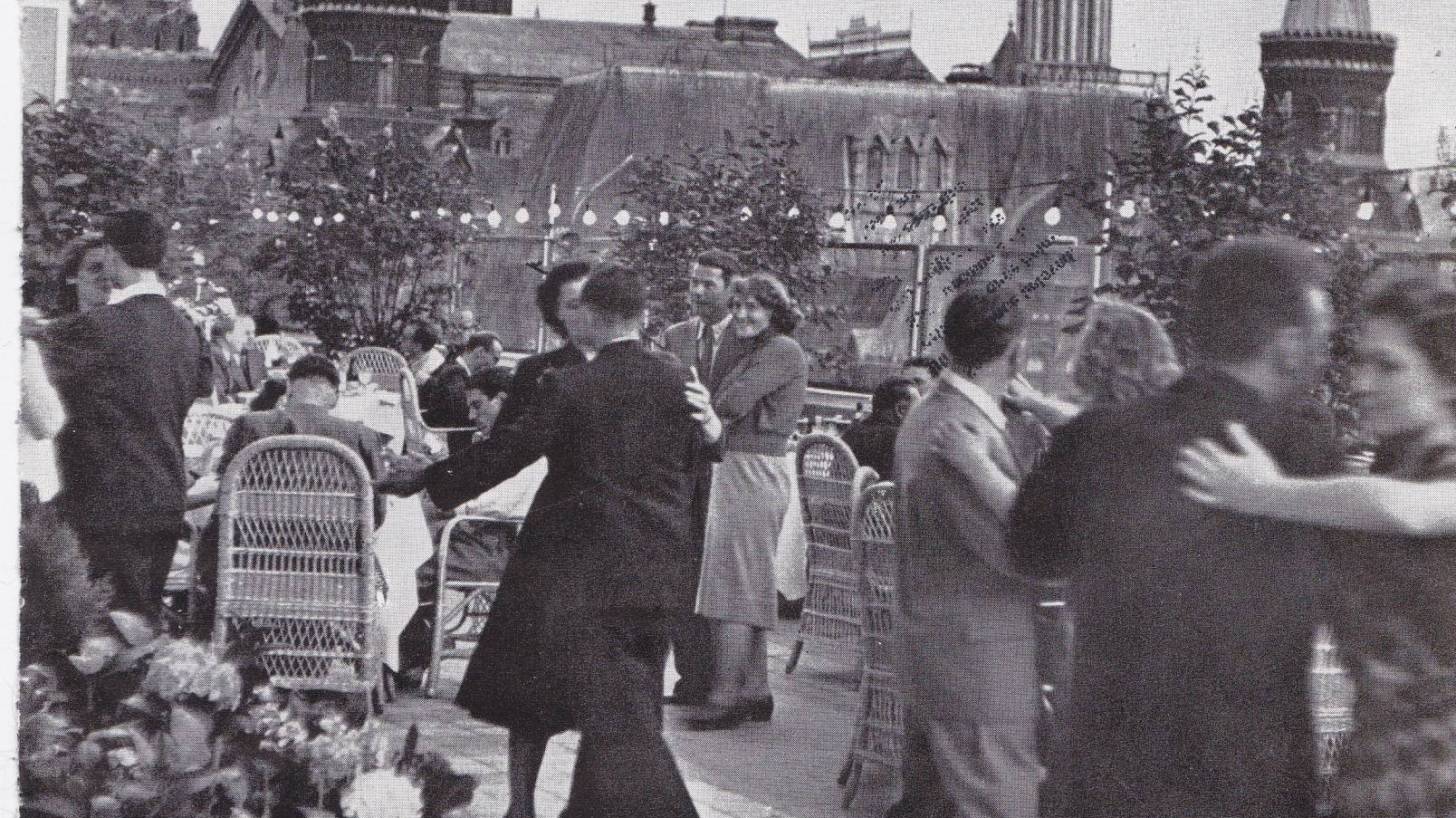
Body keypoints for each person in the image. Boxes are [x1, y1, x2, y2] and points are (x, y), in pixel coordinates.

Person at [1007, 237, 1344, 818]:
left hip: (1105, 774)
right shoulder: (1306, 453)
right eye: (1321, 337)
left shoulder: (1097, 439)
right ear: (1287, 343)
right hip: (1251, 784)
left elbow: (1029, 552)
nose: (1324, 353)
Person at [379, 263, 721, 818]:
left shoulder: (570, 385)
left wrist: (429, 482)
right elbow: (694, 456)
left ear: (592, 314)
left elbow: (505, 454)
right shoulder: (677, 375)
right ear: (644, 314)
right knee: (629, 704)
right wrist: (716, 439)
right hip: (658, 561)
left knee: (559, 696)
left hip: (575, 563)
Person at [1178, 280, 1456, 818]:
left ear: (1449, 378)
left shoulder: (1416, 483)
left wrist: (1264, 494)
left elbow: (1407, 510)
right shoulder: (1385, 469)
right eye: (1359, 363)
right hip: (1380, 772)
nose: (1361, 383)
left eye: (1387, 366)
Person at [886, 288, 1045, 818]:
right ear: (1014, 350)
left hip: (947, 648)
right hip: (977, 660)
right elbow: (1018, 554)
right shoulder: (958, 430)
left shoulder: (934, 413)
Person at [40, 210, 212, 621]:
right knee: (139, 629)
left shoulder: (95, 328)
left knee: (97, 638)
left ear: (115, 256)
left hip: (103, 504)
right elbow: (199, 391)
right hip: (165, 501)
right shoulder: (186, 330)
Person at [190, 353, 388, 631]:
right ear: (334, 397)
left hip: (248, 571)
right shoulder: (360, 437)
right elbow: (376, 516)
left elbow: (226, 497)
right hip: (333, 576)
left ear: (290, 387)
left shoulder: (250, 426)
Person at [689, 273, 808, 730]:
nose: (741, 314)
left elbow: (731, 402)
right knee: (748, 580)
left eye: (753, 307)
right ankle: (755, 691)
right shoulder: (760, 349)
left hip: (753, 470)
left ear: (775, 310)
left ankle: (724, 698)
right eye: (736, 306)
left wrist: (711, 400)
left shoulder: (782, 351)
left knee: (733, 585)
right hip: (743, 467)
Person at [656, 249, 751, 707]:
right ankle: (691, 677)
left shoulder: (753, 341)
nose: (696, 290)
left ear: (732, 289)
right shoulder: (674, 337)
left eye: (707, 283)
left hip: (731, 470)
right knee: (681, 572)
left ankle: (725, 680)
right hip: (680, 471)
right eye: (693, 281)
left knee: (724, 576)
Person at [395, 364, 521, 688]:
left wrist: (441, 495)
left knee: (403, 566)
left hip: (497, 548)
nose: (469, 415)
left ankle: (413, 653)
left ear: (503, 400)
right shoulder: (496, 440)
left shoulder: (522, 447)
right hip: (472, 537)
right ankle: (413, 649)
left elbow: (491, 503)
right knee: (398, 547)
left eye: (477, 405)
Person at [1004, 298, 1182, 428]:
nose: (1081, 347)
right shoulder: (1170, 415)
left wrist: (1035, 403)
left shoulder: (1123, 429)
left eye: (1089, 338)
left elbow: (1096, 427)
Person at [493, 261, 594, 432]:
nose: (586, 313)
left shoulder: (633, 367)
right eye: (574, 306)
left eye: (592, 302)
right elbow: (504, 442)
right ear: (557, 312)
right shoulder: (533, 370)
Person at [421, 331, 504, 454]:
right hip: (448, 441)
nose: (494, 365)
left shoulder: (450, 367)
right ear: (480, 352)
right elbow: (463, 412)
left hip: (439, 435)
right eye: (495, 359)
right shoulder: (455, 373)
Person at [840, 375, 919, 478]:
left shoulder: (851, 433)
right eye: (919, 408)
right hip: (881, 494)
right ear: (901, 409)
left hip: (847, 493)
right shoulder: (901, 440)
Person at [209, 314, 266, 401]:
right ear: (229, 336)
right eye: (246, 333)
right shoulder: (212, 357)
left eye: (253, 332)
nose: (252, 337)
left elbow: (262, 382)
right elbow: (219, 397)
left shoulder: (250, 353)